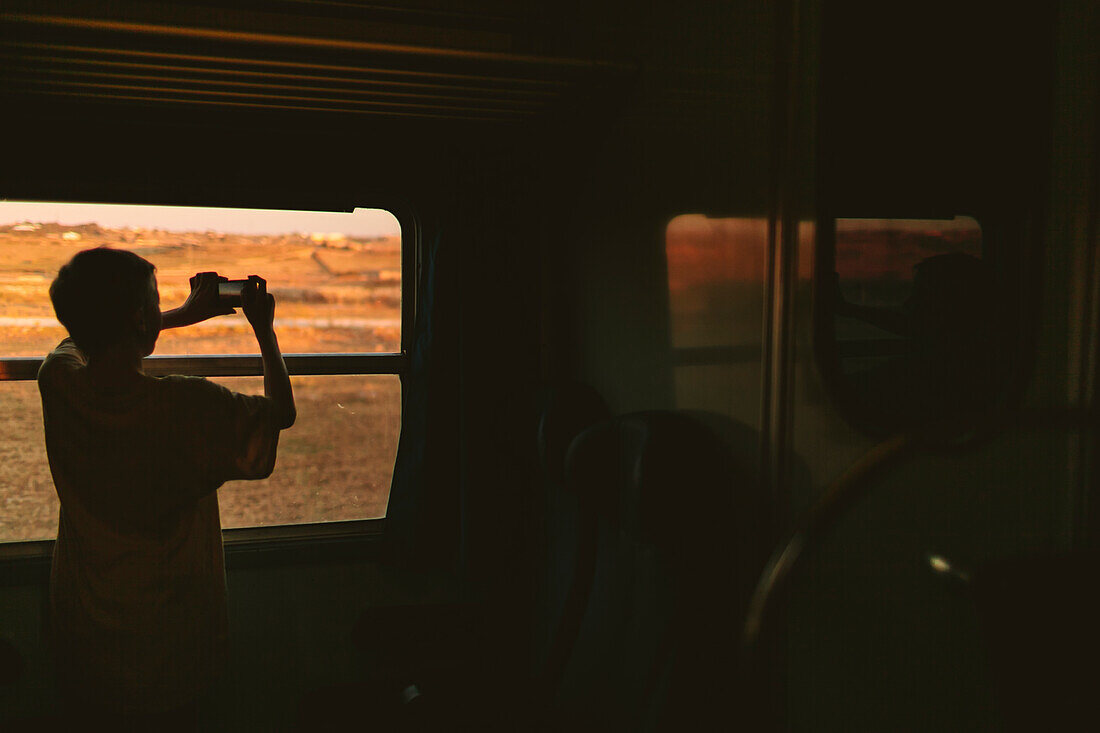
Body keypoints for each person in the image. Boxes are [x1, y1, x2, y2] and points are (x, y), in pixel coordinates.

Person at [38, 247, 296, 730]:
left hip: (83, 626)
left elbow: (76, 341)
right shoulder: (188, 404)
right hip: (169, 635)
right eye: (153, 304)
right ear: (139, 318)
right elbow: (279, 412)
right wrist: (264, 330)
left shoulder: (59, 382)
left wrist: (168, 317)